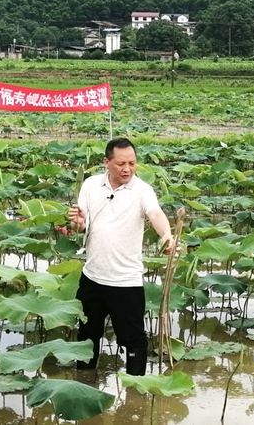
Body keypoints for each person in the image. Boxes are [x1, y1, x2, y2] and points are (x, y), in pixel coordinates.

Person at [68, 138, 175, 376]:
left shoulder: (142, 190)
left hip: (126, 281)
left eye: (132, 163)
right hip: (93, 277)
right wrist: (76, 221)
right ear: (106, 162)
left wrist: (167, 235)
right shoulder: (90, 185)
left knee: (134, 339)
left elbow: (155, 213)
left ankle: (136, 392)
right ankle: (84, 384)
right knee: (86, 336)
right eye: (120, 164)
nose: (127, 169)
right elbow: (81, 226)